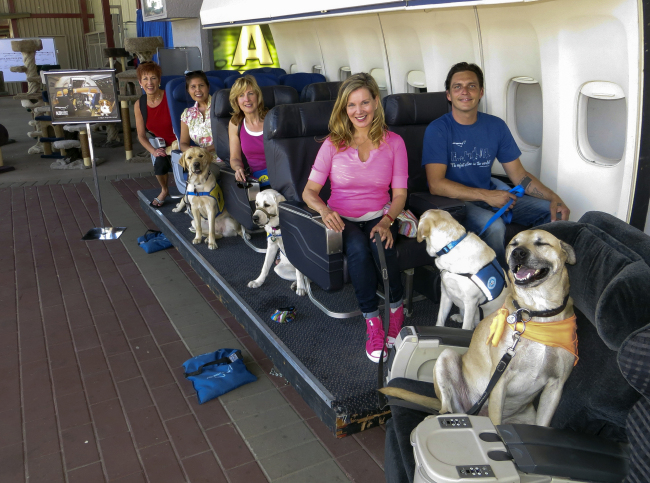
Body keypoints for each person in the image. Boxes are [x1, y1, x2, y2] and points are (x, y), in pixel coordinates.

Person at [302, 73, 408, 363]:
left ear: (376, 102)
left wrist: (387, 220)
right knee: (359, 250)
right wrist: (324, 210)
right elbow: (309, 192)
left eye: (365, 102)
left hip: (381, 216)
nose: (359, 111)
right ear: (343, 109)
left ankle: (397, 312)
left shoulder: (394, 142)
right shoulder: (333, 144)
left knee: (379, 245)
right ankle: (373, 323)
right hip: (342, 218)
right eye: (351, 105)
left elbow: (399, 195)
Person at [422, 62, 570, 268]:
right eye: (457, 87)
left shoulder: (496, 126)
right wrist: (487, 196)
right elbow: (436, 184)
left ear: (481, 92)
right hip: (455, 203)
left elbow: (519, 175)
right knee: (494, 227)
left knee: (550, 212)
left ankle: (533, 271)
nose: (465, 91)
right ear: (448, 95)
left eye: (471, 86)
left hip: (490, 196)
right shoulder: (438, 130)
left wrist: (553, 197)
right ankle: (499, 288)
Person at [134, 62, 176, 207]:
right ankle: (164, 190)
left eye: (153, 78)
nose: (149, 83)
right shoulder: (139, 104)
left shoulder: (170, 97)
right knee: (159, 162)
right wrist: (153, 151)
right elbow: (141, 135)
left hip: (180, 141)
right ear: (140, 82)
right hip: (162, 145)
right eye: (145, 79)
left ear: (159, 80)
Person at [228, 75, 269, 185]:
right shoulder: (235, 123)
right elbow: (235, 158)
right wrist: (238, 168)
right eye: (241, 95)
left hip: (279, 175)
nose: (247, 99)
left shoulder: (271, 119)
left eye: (250, 93)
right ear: (236, 101)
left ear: (258, 96)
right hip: (256, 180)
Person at [180, 71, 215, 152]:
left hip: (224, 159)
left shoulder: (220, 106)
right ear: (188, 90)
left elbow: (228, 140)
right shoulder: (187, 115)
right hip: (200, 159)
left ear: (208, 87)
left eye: (201, 85)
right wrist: (192, 151)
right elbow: (183, 144)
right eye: (193, 87)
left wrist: (204, 150)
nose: (198, 90)